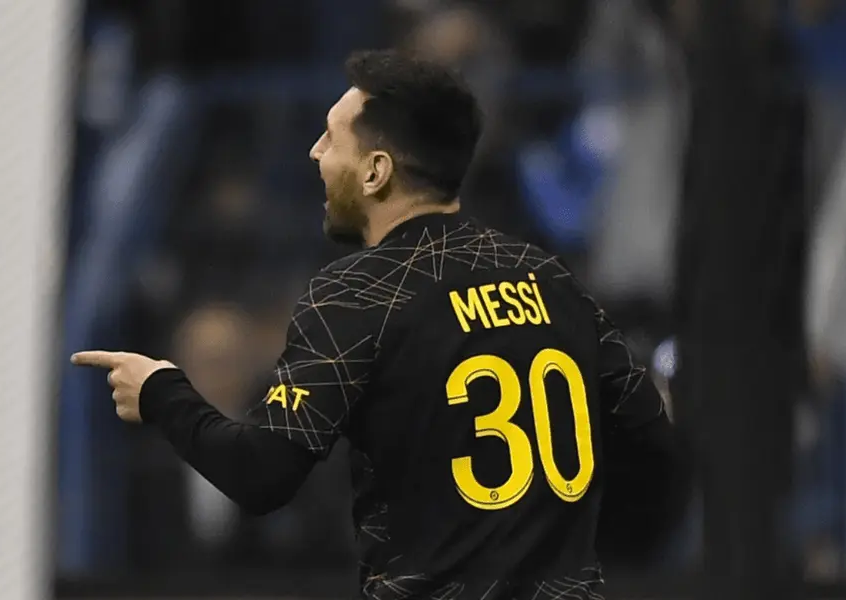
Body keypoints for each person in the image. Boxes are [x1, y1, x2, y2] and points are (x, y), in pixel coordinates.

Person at [73, 49, 682, 599]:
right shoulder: (553, 281)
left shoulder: (358, 292)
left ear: (376, 172)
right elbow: (654, 448)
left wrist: (162, 392)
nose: (314, 152)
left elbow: (261, 474)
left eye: (332, 139)